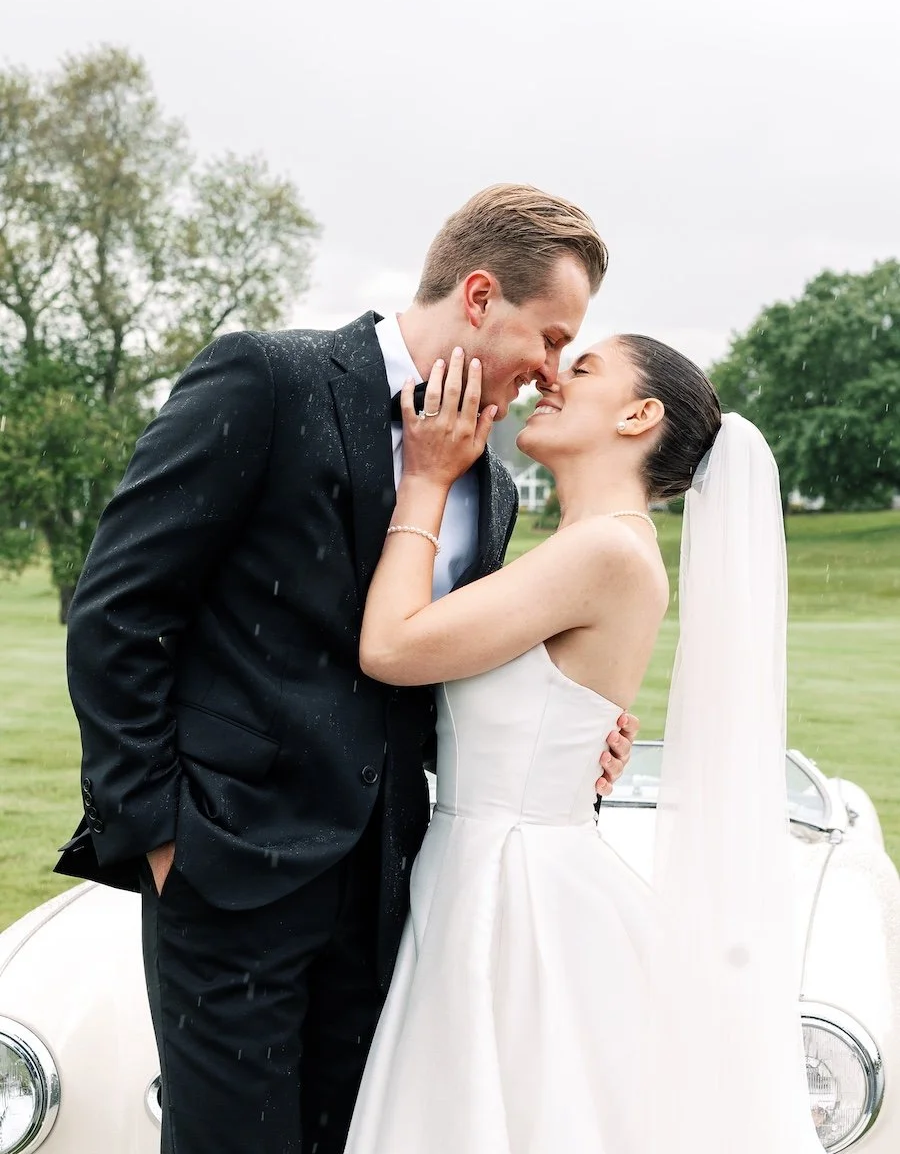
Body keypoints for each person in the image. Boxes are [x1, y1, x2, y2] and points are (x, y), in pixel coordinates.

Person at [53, 184, 635, 1154]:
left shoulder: (489, 487)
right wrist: (159, 837)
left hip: (390, 897)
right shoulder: (267, 380)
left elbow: (438, 670)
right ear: (481, 296)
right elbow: (119, 609)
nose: (547, 374)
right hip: (227, 868)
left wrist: (571, 734)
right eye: (548, 336)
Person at [345, 336, 824, 1152]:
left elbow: (390, 648)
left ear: (640, 415)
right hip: (484, 866)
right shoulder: (588, 546)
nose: (553, 378)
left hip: (513, 892)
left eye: (586, 367)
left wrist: (426, 479)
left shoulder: (605, 549)